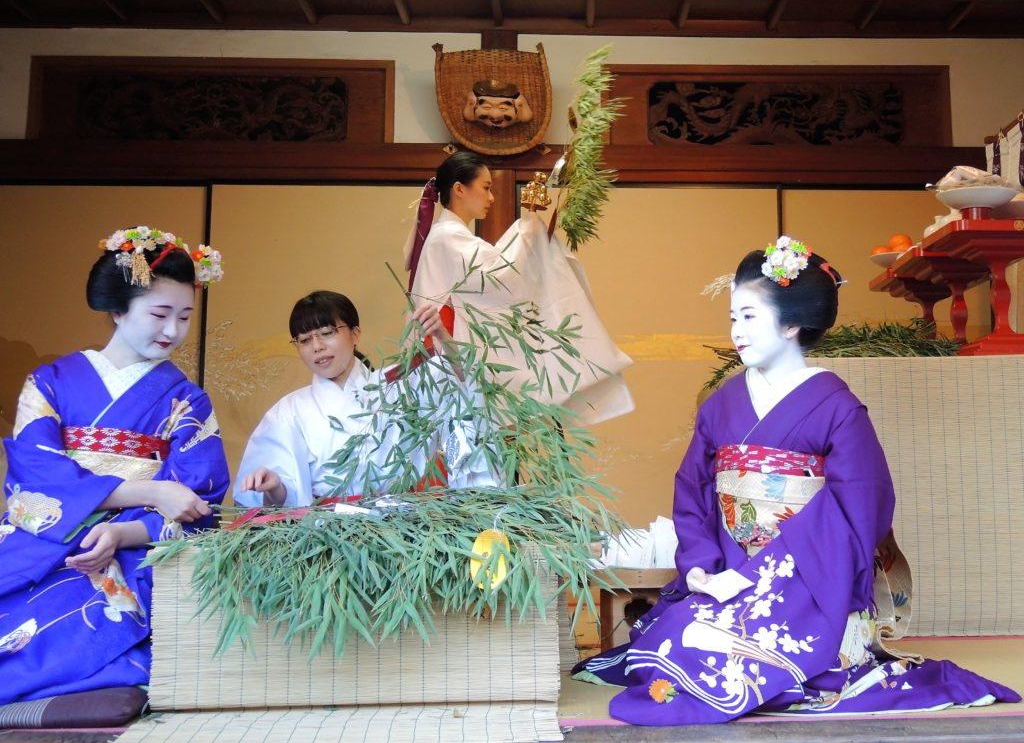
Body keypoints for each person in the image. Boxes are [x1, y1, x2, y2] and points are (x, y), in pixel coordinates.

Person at [572, 236, 1019, 723]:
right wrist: (700, 564)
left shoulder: (836, 406)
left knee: (721, 654)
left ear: (791, 322)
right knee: (676, 640)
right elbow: (695, 490)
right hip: (726, 567)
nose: (736, 331)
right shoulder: (722, 403)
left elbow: (861, 504)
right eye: (731, 318)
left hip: (806, 576)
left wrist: (772, 568)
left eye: (748, 316)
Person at [0, 226, 230, 705]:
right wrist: (148, 491)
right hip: (45, 538)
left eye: (185, 317)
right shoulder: (49, 382)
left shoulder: (188, 401)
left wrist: (122, 533)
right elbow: (37, 475)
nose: (173, 331)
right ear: (118, 308)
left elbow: (197, 503)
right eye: (160, 314)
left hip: (136, 546)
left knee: (104, 617)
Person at [405, 151, 633, 426]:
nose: (491, 198)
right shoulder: (446, 236)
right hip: (447, 361)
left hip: (452, 357)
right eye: (486, 188)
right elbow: (498, 275)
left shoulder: (448, 235)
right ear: (459, 189)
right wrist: (529, 231)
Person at [234, 290, 497, 508]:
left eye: (327, 333)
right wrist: (275, 486)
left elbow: (461, 386)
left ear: (355, 333)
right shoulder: (288, 412)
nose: (316, 347)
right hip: (331, 538)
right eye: (304, 340)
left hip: (406, 527)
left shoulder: (398, 384)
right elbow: (284, 501)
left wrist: (443, 337)